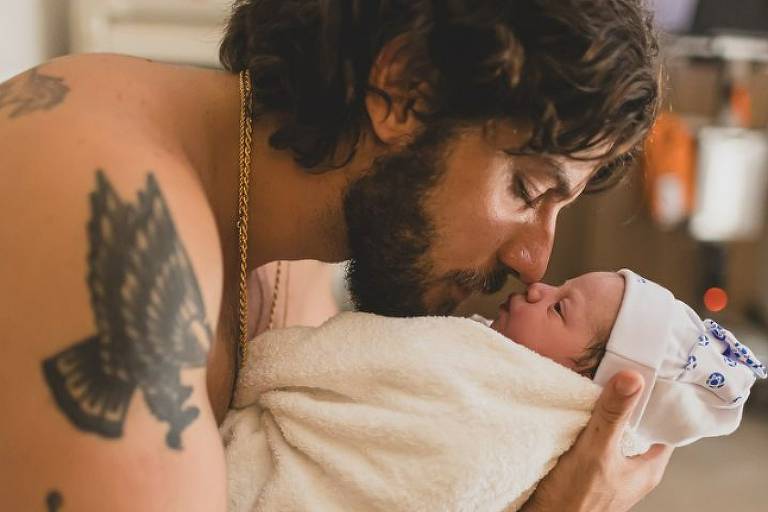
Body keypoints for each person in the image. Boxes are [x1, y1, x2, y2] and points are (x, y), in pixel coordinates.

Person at [0, 1, 669, 510]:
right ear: (403, 89)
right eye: (526, 188)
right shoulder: (109, 226)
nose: (535, 259)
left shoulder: (288, 263)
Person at [219, 269, 764, 511]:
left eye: (558, 307)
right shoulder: (488, 358)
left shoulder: (508, 414)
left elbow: (361, 361)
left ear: (583, 383)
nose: (536, 284)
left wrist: (275, 363)